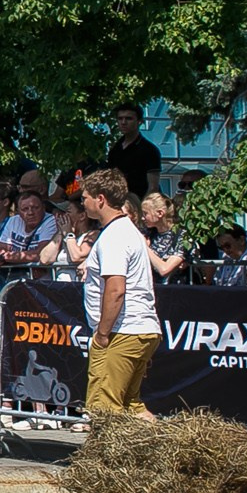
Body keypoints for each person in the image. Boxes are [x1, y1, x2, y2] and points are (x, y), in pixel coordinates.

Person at [79, 169, 159, 423]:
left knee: (104, 407)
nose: (83, 203)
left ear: (100, 199)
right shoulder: (127, 230)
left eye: (85, 198)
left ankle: (103, 460)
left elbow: (116, 289)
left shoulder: (114, 235)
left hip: (123, 330)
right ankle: (164, 452)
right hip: (140, 328)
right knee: (131, 406)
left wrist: (103, 334)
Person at [104, 103, 162, 199]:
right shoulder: (115, 149)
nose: (123, 122)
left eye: (128, 118)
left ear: (139, 121)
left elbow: (153, 187)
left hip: (141, 202)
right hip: (119, 202)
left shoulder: (149, 150)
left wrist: (143, 208)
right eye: (120, 118)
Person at [139, 193, 186, 281]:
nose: (142, 218)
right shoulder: (148, 234)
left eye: (145, 214)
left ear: (160, 213)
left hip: (176, 290)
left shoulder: (181, 236)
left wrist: (145, 247)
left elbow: (164, 270)